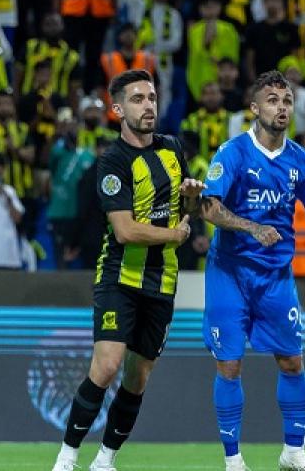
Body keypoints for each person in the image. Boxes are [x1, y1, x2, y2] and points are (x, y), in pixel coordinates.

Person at [199, 71, 305, 471]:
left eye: (287, 101)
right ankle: (233, 460)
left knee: (292, 362)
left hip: (275, 277)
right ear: (255, 108)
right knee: (229, 364)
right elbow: (209, 208)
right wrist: (252, 227)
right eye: (272, 100)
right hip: (230, 272)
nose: (281, 108)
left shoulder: (302, 161)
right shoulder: (233, 153)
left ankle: (293, 452)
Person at [52, 70, 201, 471]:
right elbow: (125, 230)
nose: (148, 106)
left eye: (151, 97)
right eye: (137, 99)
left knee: (137, 378)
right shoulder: (112, 162)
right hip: (120, 276)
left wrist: (191, 199)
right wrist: (174, 234)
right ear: (117, 110)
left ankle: (105, 460)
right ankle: (66, 458)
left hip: (163, 280)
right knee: (106, 366)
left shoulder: (173, 148)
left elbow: (187, 211)